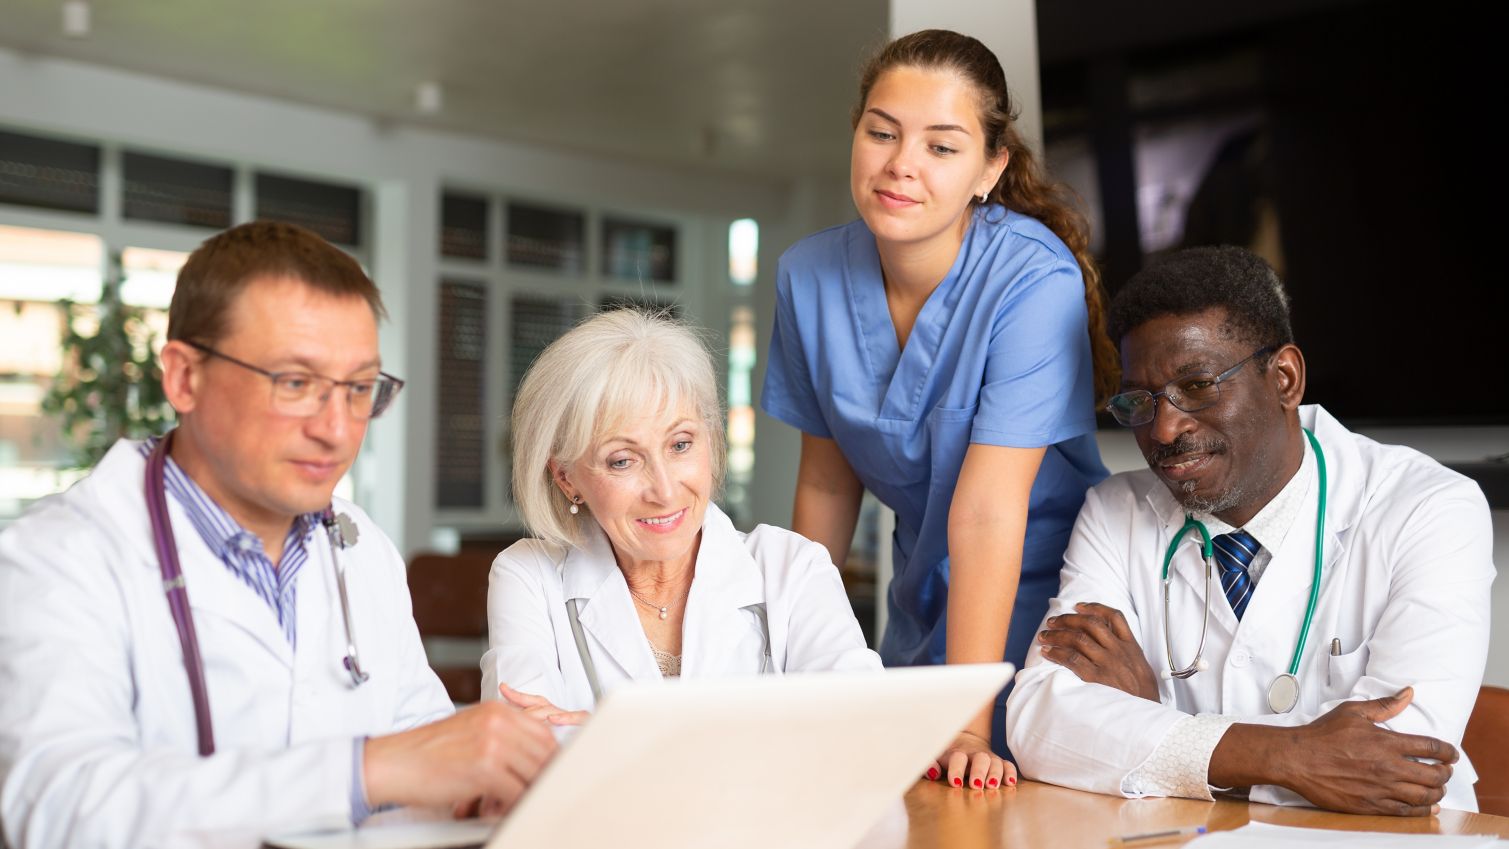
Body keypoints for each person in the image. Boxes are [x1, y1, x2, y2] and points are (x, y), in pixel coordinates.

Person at [0, 221, 557, 849]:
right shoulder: (63, 556)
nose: (336, 428)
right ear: (184, 377)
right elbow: (56, 810)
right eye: (295, 384)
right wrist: (364, 770)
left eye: (357, 389)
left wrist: (485, 774)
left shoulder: (360, 548)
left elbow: (419, 740)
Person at [1006, 246, 1493, 815]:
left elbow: (1397, 767)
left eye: (1197, 386)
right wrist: (1292, 757)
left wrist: (1157, 725)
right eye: (1142, 400)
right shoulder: (1115, 511)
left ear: (1284, 378)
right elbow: (1042, 725)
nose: (1164, 428)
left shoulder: (1428, 508)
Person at [760, 29, 1117, 789]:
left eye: (941, 147)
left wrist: (966, 719)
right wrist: (792, 666)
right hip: (924, 597)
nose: (900, 165)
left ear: (989, 169)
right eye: (880, 132)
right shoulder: (808, 277)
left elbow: (989, 510)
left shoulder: (1031, 279)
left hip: (1048, 600)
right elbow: (826, 487)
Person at [482, 309, 881, 726]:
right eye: (622, 461)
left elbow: (860, 727)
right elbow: (520, 754)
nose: (666, 490)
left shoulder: (793, 567)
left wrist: (601, 733)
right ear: (566, 478)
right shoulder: (529, 577)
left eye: (680, 445)